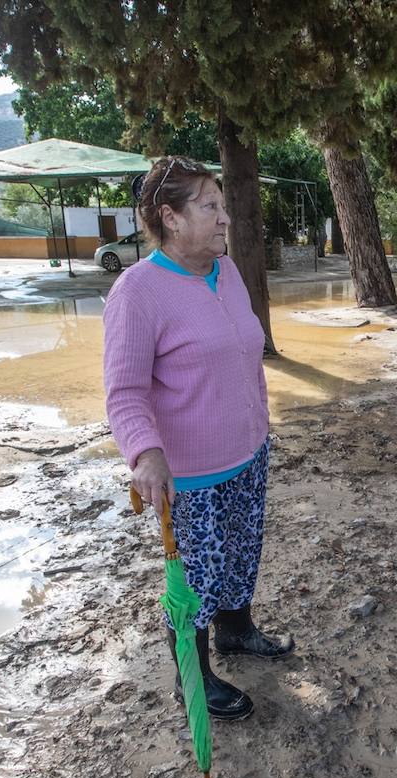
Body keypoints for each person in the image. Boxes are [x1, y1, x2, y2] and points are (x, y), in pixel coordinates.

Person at [103, 156, 293, 722]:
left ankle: (238, 633)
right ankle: (198, 677)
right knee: (194, 584)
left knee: (239, 557)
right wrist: (145, 453)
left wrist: (260, 420)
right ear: (171, 217)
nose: (224, 218)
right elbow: (124, 391)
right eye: (209, 206)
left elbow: (246, 354)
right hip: (191, 476)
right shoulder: (138, 292)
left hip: (248, 453)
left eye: (222, 205)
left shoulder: (225, 271)